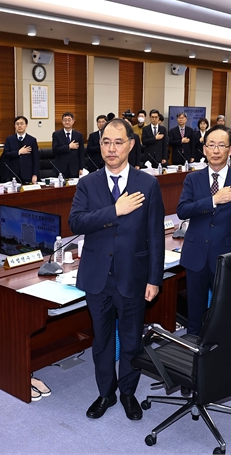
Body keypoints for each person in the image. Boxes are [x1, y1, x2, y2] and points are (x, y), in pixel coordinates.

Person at [69, 118, 165, 421]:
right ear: (100, 146)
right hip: (97, 277)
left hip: (133, 276)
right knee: (102, 341)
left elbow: (155, 235)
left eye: (118, 142)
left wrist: (154, 279)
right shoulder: (88, 183)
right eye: (106, 142)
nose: (111, 148)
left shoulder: (147, 183)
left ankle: (127, 393)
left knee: (132, 340)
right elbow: (76, 222)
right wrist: (115, 211)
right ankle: (106, 393)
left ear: (131, 145)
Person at [177, 125, 231, 335]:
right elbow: (182, 210)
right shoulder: (192, 179)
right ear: (204, 149)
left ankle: (223, 348)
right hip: (195, 255)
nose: (216, 150)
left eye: (221, 145)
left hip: (227, 256)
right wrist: (214, 200)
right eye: (211, 145)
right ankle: (193, 348)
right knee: (194, 314)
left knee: (226, 311)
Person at [1, 116, 39, 183]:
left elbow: (36, 159)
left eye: (21, 123)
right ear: (15, 126)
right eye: (17, 124)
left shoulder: (32, 140)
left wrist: (35, 174)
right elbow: (6, 154)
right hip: (13, 173)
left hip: (27, 173)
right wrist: (18, 152)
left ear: (26, 125)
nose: (19, 126)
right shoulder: (9, 139)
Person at [52, 112, 85, 178]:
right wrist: (69, 147)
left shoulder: (78, 135)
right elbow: (55, 150)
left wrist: (81, 168)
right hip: (60, 167)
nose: (67, 122)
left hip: (75, 168)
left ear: (73, 121)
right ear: (62, 121)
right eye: (65, 120)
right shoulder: (56, 134)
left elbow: (81, 153)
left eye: (69, 120)